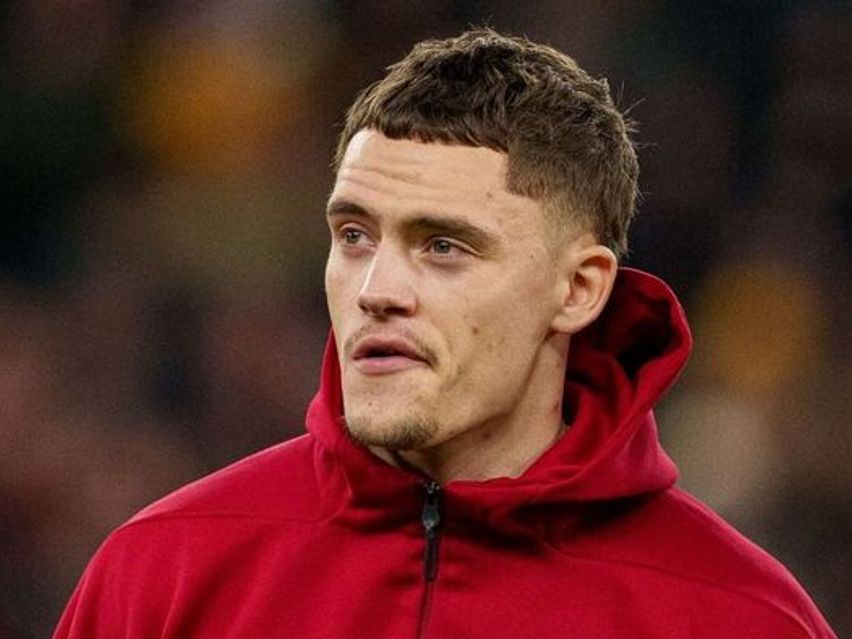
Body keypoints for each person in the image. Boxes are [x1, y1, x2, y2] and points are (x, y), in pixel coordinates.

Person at [54, 28, 836, 638]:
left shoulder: (740, 616)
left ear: (578, 288)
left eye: (443, 246)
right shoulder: (162, 573)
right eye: (354, 235)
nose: (376, 291)